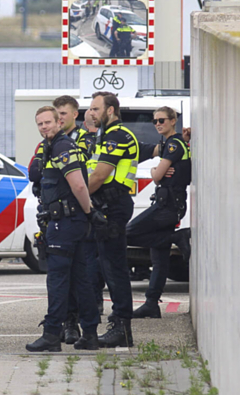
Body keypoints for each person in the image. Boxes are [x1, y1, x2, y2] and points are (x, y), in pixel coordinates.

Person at [26, 107, 102, 353]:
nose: (44, 127)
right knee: (81, 280)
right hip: (68, 222)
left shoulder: (62, 146)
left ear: (59, 122)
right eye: (40, 124)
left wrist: (89, 212)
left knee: (57, 279)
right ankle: (89, 334)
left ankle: (51, 334)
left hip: (65, 223)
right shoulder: (51, 146)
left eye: (47, 122)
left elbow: (79, 186)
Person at [86, 91, 140, 348]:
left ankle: (122, 328)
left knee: (115, 269)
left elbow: (99, 176)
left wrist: (78, 197)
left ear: (110, 110)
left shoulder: (116, 136)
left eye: (95, 109)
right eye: (90, 108)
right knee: (105, 266)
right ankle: (116, 324)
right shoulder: (106, 135)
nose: (91, 113)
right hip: (107, 206)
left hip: (113, 207)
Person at [126, 107, 192, 318]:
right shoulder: (172, 143)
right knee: (159, 258)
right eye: (155, 121)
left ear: (173, 121)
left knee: (128, 233)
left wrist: (156, 171)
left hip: (167, 206)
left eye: (162, 120)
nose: (157, 124)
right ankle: (151, 303)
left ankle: (176, 237)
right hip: (169, 204)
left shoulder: (173, 144)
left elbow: (156, 176)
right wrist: (160, 170)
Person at [52, 95, 98, 345]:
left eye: (63, 114)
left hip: (78, 210)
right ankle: (70, 323)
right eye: (56, 113)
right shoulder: (52, 141)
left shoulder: (84, 140)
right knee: (68, 273)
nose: (59, 118)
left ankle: (83, 324)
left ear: (74, 115)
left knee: (80, 273)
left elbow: (84, 176)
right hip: (60, 211)